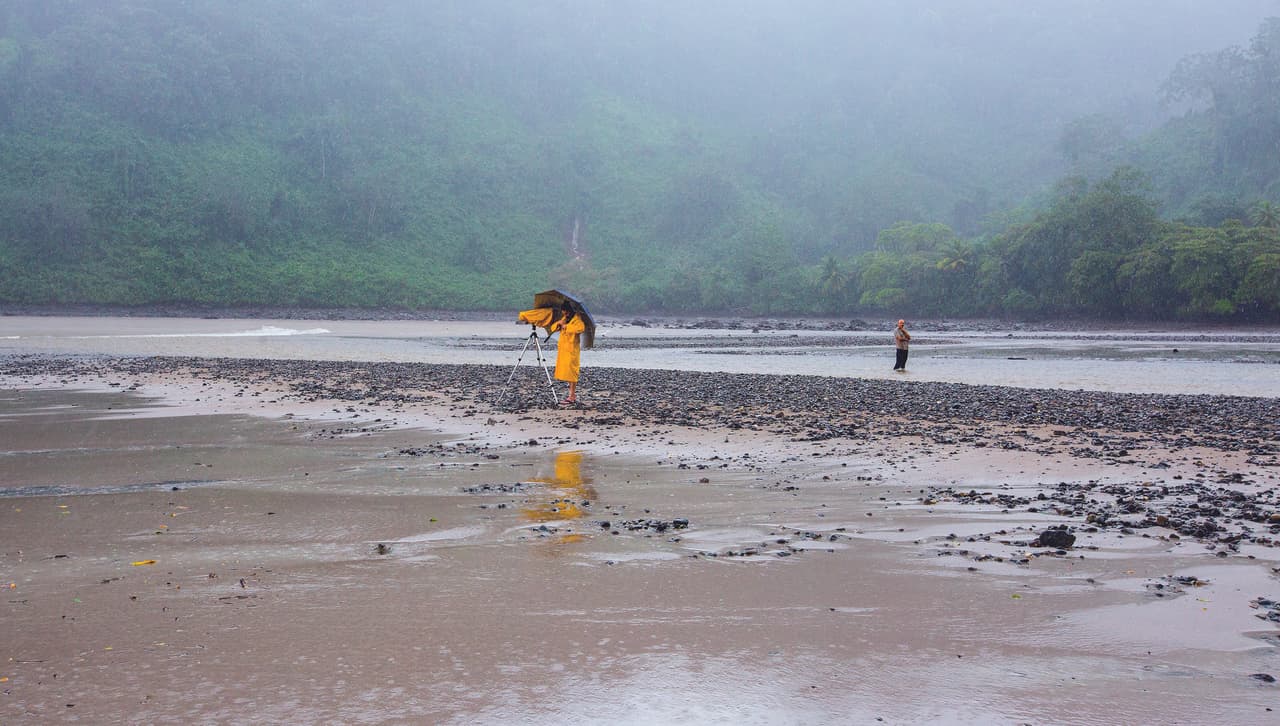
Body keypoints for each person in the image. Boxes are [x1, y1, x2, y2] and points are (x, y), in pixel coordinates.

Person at [551, 308, 586, 404]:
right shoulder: (564, 318)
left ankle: (572, 396)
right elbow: (553, 328)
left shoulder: (577, 319)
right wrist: (558, 324)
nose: (565, 313)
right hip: (564, 349)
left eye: (566, 311)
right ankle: (571, 395)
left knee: (572, 372)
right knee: (567, 372)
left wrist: (566, 326)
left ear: (571, 311)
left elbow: (581, 328)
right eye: (563, 311)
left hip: (572, 350)